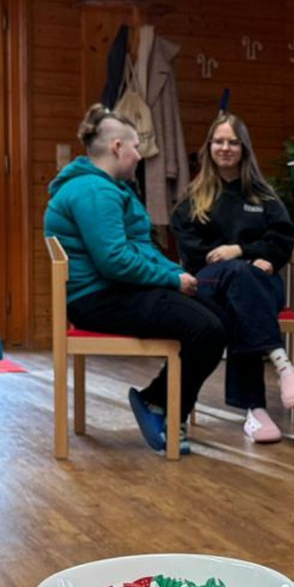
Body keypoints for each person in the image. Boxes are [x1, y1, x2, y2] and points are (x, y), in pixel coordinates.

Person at [46, 104, 226, 455]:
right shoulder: (94, 192)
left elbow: (140, 248)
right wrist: (172, 282)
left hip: (114, 291)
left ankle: (162, 403)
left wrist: (175, 273)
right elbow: (114, 261)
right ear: (116, 147)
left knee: (215, 316)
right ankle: (158, 404)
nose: (140, 156)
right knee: (206, 330)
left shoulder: (110, 188)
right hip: (97, 298)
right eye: (135, 147)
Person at [172, 112, 294, 443]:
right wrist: (239, 257)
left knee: (244, 291)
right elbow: (195, 254)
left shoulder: (263, 195)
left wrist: (240, 250)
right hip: (209, 285)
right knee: (240, 280)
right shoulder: (191, 199)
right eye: (219, 141)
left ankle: (257, 410)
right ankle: (279, 370)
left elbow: (283, 240)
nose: (225, 148)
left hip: (259, 282)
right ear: (209, 147)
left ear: (244, 148)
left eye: (232, 142)